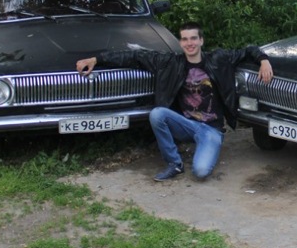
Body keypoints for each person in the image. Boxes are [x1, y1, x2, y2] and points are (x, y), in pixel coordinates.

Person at [76, 22, 274, 181]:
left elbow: (249, 50)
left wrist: (263, 60)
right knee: (157, 114)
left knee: (201, 172)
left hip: (211, 130)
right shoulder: (170, 63)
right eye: (185, 39)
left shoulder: (218, 59)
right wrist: (97, 59)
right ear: (180, 43)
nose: (189, 43)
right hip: (185, 124)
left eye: (193, 38)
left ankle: (205, 148)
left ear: (201, 40)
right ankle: (174, 163)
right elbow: (134, 56)